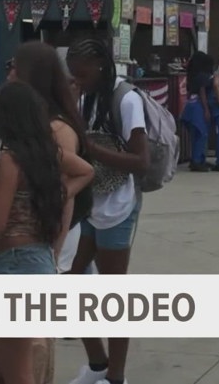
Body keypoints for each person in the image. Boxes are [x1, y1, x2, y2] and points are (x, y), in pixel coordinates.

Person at [0, 81, 94, 384]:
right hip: (26, 263)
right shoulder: (43, 154)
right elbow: (86, 171)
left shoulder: (11, 160)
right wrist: (62, 192)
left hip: (17, 266)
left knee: (16, 369)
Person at [65, 38, 150, 384]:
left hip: (118, 206)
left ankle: (116, 377)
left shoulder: (126, 99)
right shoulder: (85, 96)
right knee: (73, 282)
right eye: (73, 75)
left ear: (101, 66)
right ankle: (97, 364)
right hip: (89, 202)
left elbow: (140, 162)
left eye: (82, 74)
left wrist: (91, 150)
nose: (77, 80)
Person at [5, 41, 96, 273]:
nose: (9, 74)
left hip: (54, 237)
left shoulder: (56, 127)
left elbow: (65, 194)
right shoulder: (33, 119)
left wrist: (55, 252)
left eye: (15, 67)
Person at [180, 51, 214, 172]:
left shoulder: (192, 75)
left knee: (196, 136)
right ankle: (197, 161)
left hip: (189, 107)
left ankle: (198, 159)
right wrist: (206, 110)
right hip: (198, 108)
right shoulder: (204, 76)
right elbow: (203, 93)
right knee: (201, 135)